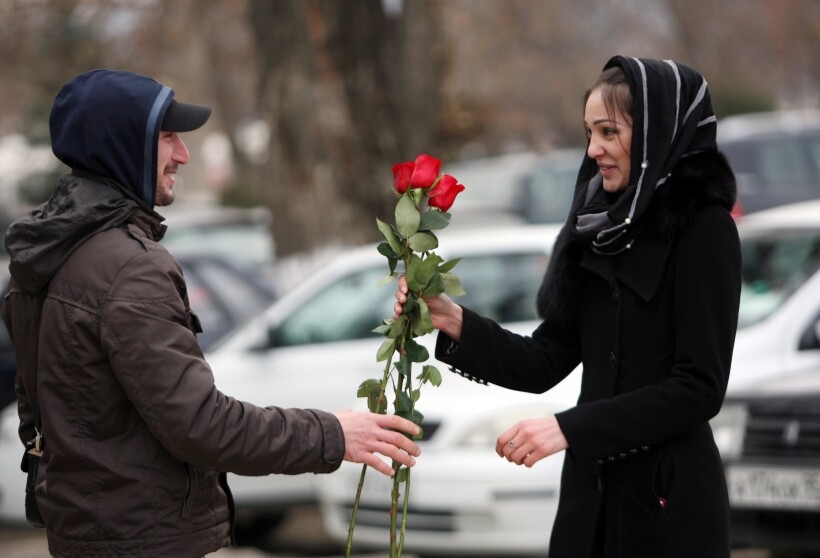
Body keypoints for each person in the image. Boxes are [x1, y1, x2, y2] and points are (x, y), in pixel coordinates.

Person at [2, 69, 421, 558]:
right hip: (145, 541)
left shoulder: (45, 255)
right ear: (121, 146)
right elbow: (202, 426)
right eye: (167, 137)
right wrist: (333, 433)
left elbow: (39, 413)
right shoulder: (129, 269)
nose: (183, 154)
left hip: (85, 534)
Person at [395, 55, 740, 557]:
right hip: (588, 512)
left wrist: (569, 428)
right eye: (588, 133)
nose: (593, 149)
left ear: (655, 134)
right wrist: (453, 319)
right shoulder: (592, 228)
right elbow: (546, 359)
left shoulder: (704, 230)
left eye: (608, 132)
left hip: (669, 510)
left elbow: (698, 388)